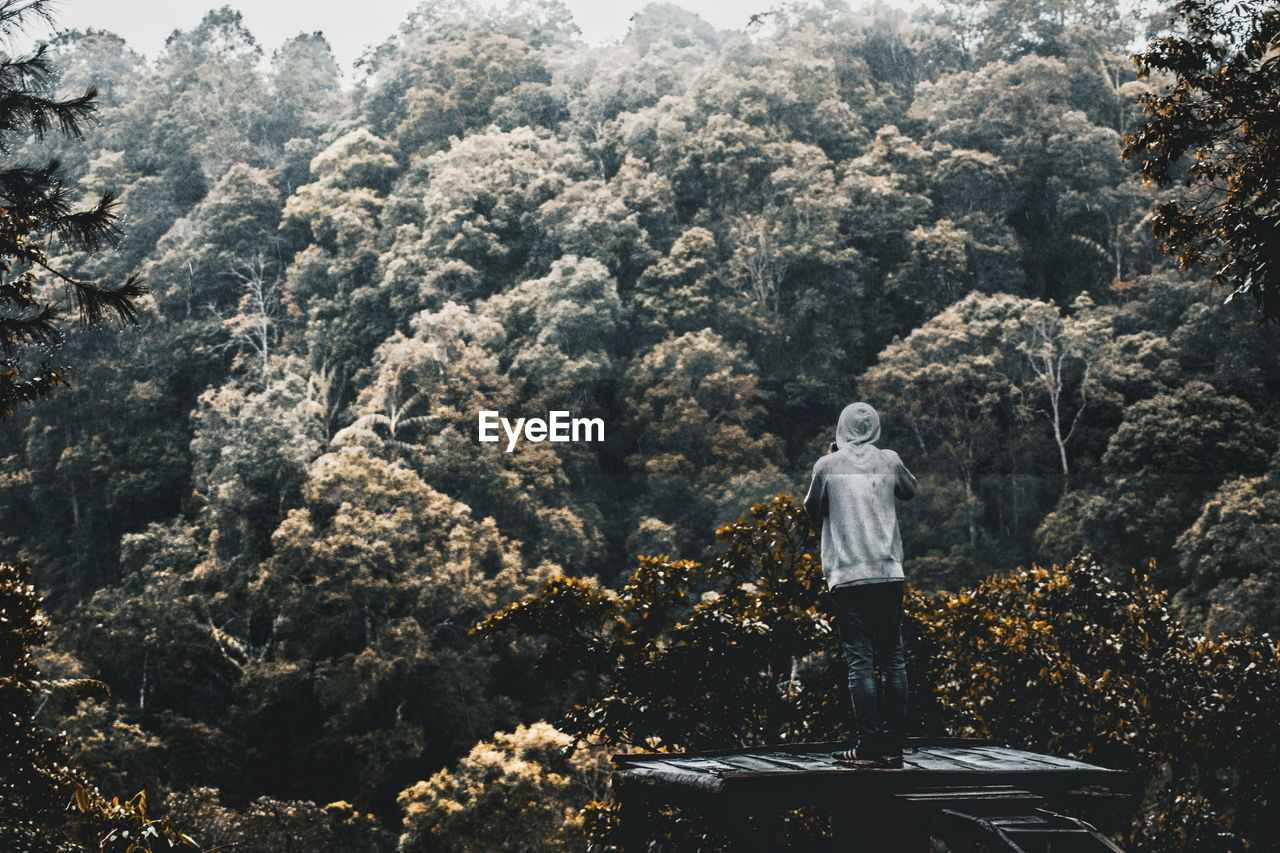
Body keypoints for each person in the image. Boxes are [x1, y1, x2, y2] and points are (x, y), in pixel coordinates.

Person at [803, 402, 916, 768]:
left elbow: (812, 507)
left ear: (841, 428)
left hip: (848, 576)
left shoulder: (827, 465)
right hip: (888, 572)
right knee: (893, 659)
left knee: (861, 662)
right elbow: (908, 490)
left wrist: (833, 459)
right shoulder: (889, 460)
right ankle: (893, 746)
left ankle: (867, 746)